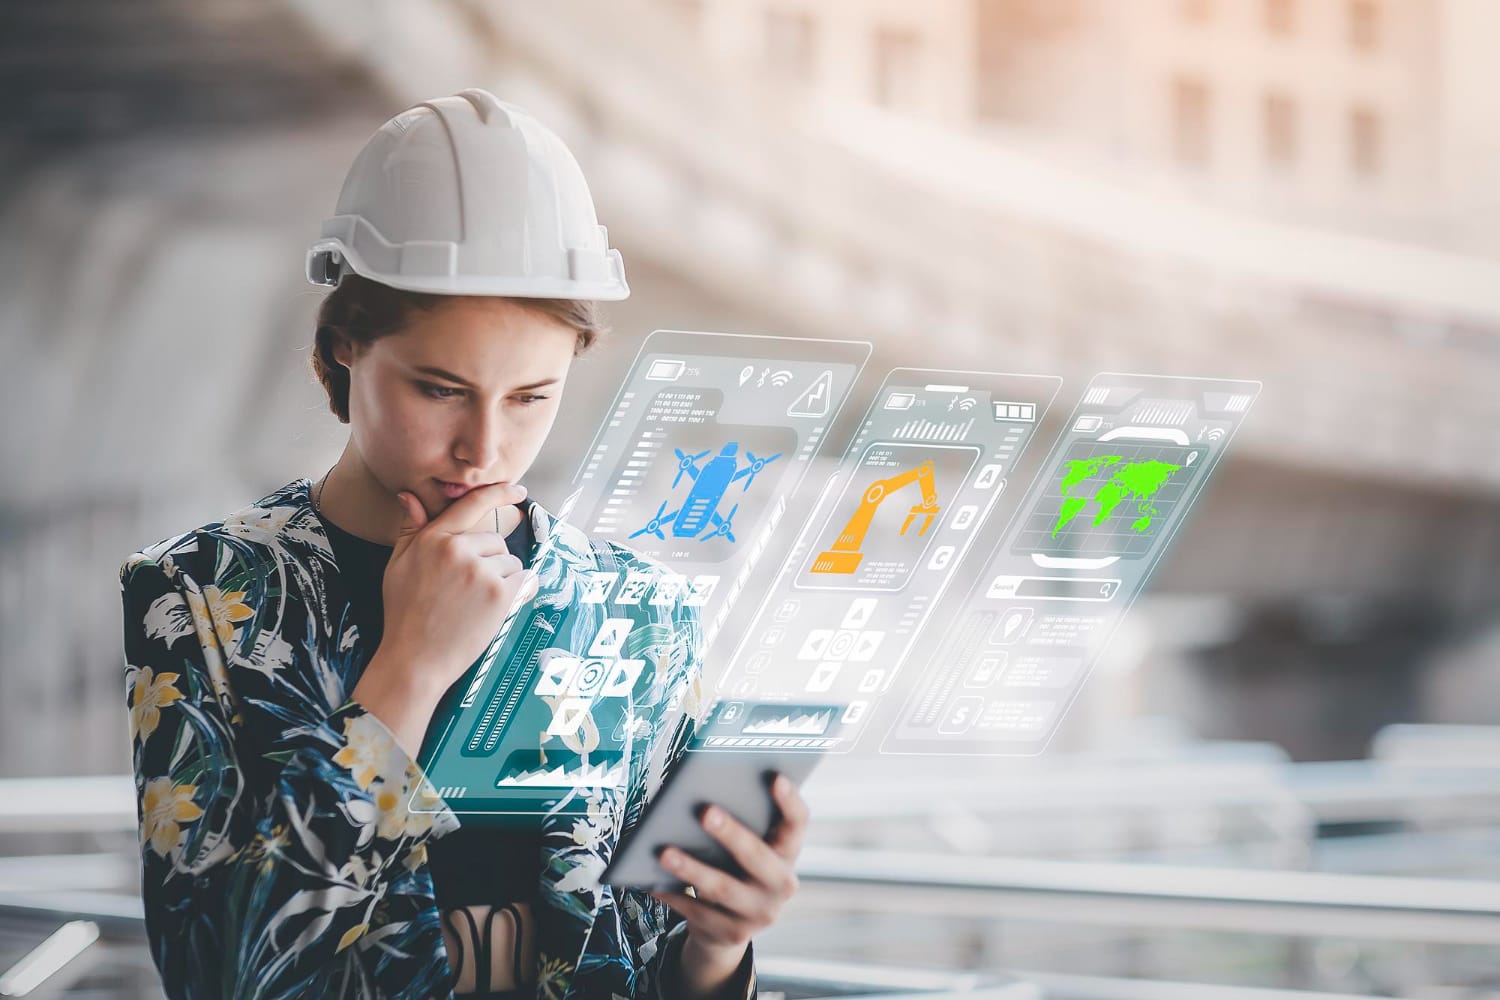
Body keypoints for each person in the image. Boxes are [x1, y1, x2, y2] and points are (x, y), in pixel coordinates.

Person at [119, 89, 808, 1000]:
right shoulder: (201, 593)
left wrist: (718, 952)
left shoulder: (636, 611)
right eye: (442, 388)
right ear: (342, 351)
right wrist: (408, 667)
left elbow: (639, 959)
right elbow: (218, 972)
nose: (485, 448)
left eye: (531, 396)